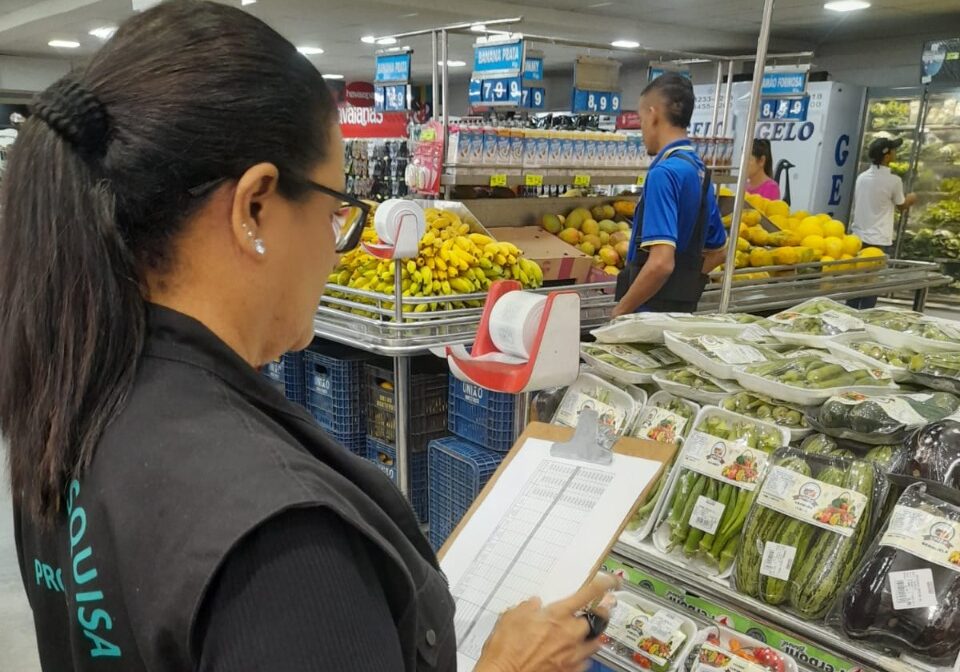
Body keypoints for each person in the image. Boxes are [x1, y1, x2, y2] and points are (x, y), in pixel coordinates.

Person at [0, 3, 616, 671]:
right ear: (255, 207)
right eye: (334, 212)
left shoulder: (71, 394)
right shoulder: (286, 550)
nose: (336, 249)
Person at [613, 73, 727, 316]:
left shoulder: (664, 174)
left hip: (647, 315)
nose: (642, 131)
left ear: (653, 115)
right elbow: (718, 250)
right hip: (679, 316)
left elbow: (661, 263)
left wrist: (620, 311)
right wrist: (681, 288)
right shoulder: (698, 170)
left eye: (641, 121)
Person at [847, 136, 917, 309]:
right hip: (878, 239)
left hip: (858, 237)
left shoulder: (862, 177)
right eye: (893, 150)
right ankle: (866, 317)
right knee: (872, 284)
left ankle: (850, 313)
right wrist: (912, 198)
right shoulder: (894, 181)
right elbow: (902, 205)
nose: (895, 152)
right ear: (887, 156)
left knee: (855, 281)